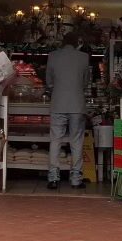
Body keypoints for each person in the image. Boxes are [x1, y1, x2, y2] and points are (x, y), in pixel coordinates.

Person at [45, 32, 90, 189]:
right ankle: (76, 179)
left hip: (58, 103)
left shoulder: (52, 56)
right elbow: (85, 82)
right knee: (76, 141)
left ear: (62, 42)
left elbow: (49, 82)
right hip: (77, 104)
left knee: (55, 140)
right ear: (76, 42)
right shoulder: (84, 57)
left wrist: (56, 89)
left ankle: (53, 178)